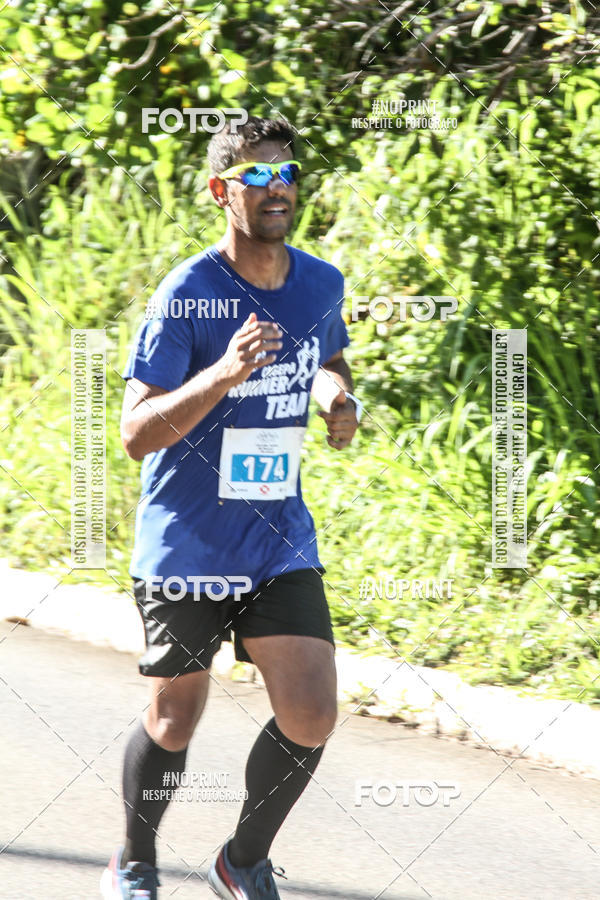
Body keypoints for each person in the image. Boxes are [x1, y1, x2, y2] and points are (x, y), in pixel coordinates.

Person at [101, 115, 361, 900]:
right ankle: (133, 861)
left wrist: (336, 394)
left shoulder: (320, 282)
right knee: (174, 719)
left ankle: (240, 860)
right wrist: (220, 374)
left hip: (278, 537)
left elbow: (326, 353)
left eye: (284, 173)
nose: (275, 186)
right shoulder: (188, 293)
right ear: (222, 192)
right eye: (255, 176)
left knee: (311, 715)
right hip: (188, 543)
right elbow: (136, 434)